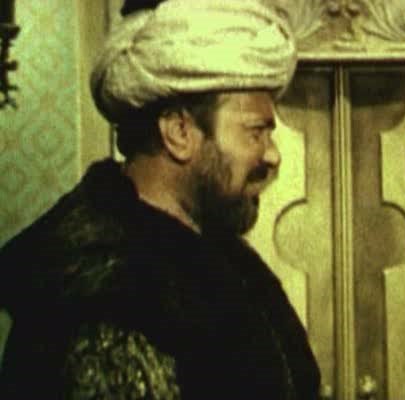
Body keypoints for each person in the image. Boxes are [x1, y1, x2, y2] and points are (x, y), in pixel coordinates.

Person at [0, 0, 321, 398]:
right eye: (256, 132)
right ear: (179, 133)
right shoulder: (103, 293)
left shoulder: (222, 261)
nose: (272, 155)